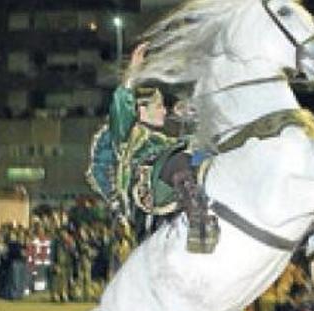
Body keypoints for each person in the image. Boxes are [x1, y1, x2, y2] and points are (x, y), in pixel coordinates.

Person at [89, 43, 218, 253]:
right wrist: (133, 72)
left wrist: (210, 143)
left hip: (164, 186)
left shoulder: (160, 141)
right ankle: (198, 221)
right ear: (140, 110)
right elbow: (121, 104)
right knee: (181, 159)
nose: (165, 112)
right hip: (142, 192)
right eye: (159, 107)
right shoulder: (125, 134)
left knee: (198, 156)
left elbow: (190, 152)